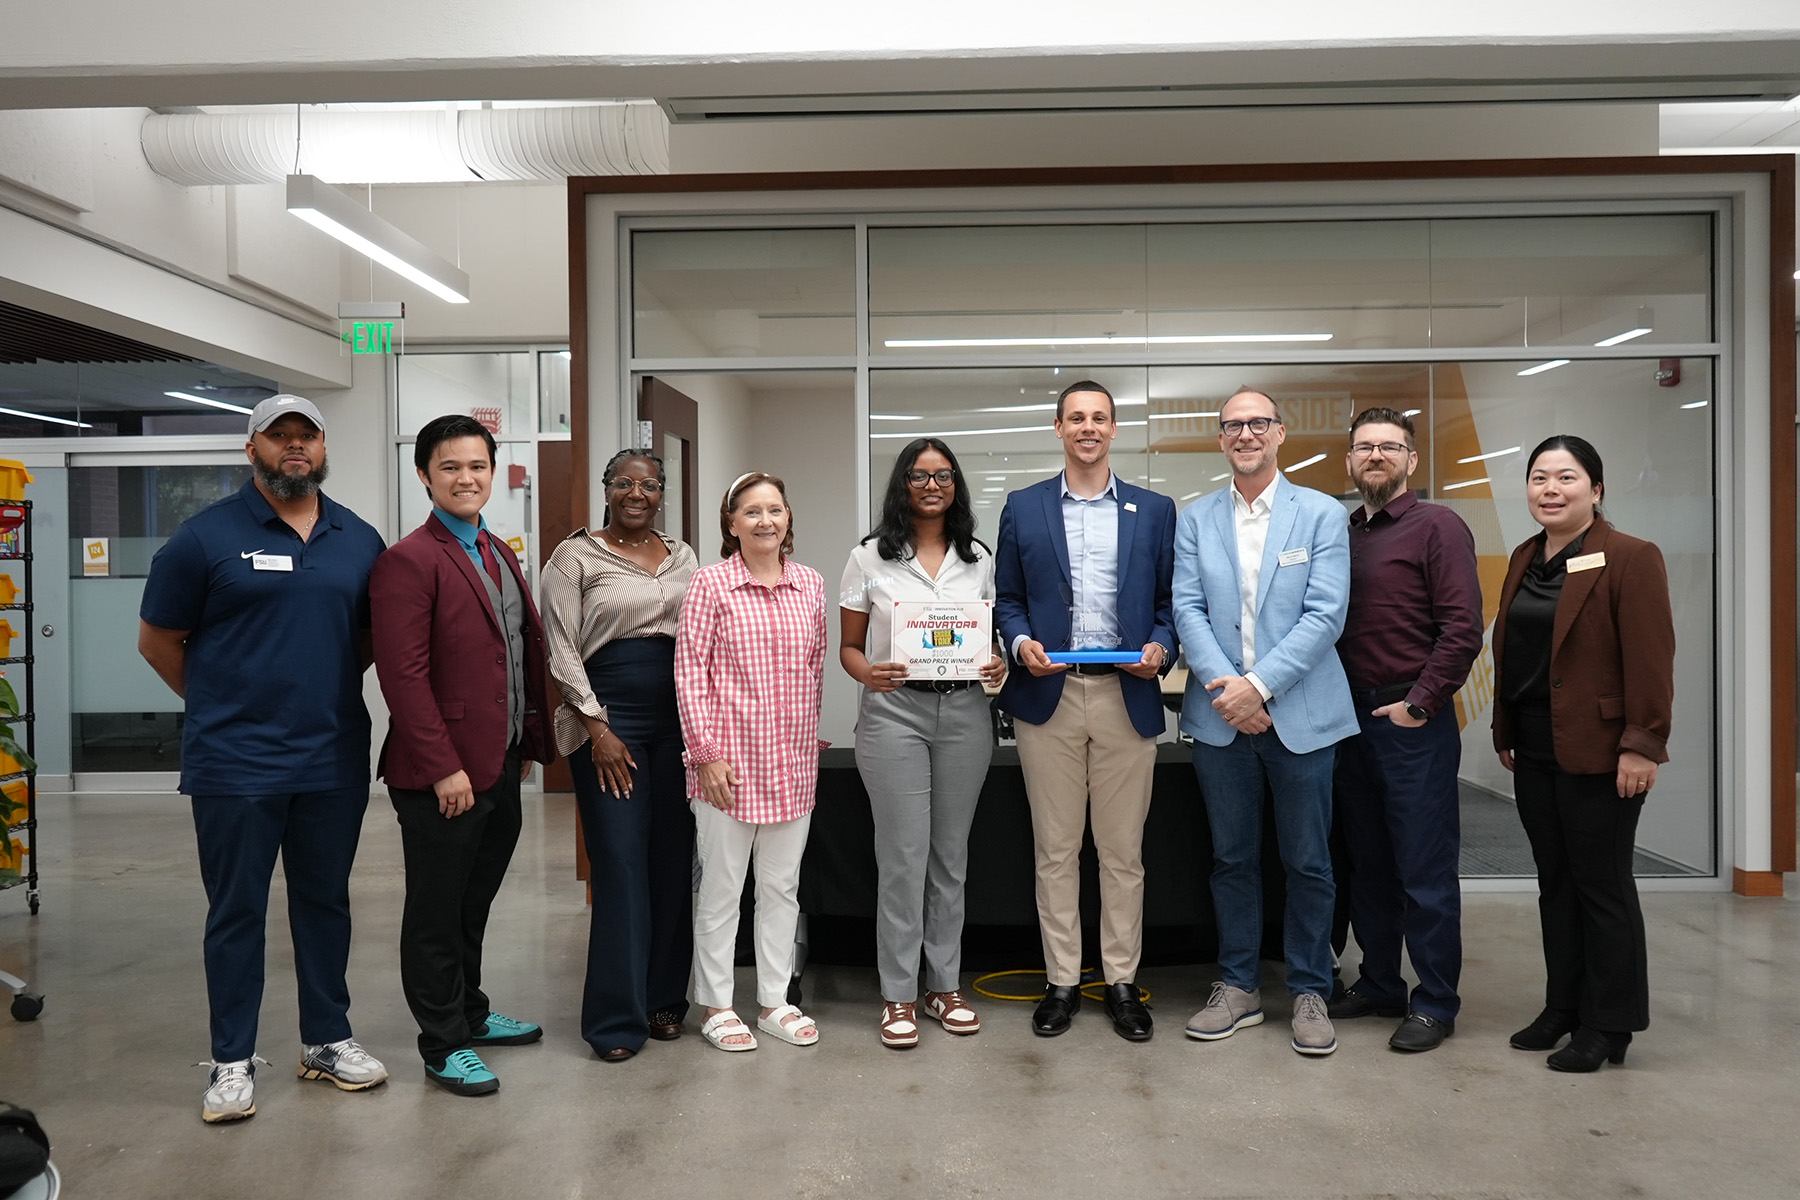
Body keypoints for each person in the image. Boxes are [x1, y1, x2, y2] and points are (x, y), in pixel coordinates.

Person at [138, 394, 389, 1123]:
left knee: (325, 904)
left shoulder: (357, 537)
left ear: (321, 446)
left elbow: (366, 640)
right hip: (234, 764)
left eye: (305, 436)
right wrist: (223, 703)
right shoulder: (203, 538)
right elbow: (158, 641)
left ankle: (327, 1040)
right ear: (252, 450)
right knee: (237, 911)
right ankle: (231, 1060)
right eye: (278, 437)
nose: (294, 448)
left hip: (331, 757)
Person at [370, 414, 555, 1096]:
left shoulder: (497, 550)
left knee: (473, 903)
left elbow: (512, 653)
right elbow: (403, 675)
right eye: (450, 467)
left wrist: (524, 739)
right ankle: (443, 1041)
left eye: (477, 466)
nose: (466, 478)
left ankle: (470, 1012)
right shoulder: (407, 561)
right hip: (441, 773)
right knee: (436, 911)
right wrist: (444, 764)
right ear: (424, 475)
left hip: (499, 763)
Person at [1173, 387, 1358, 1057]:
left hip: (1301, 717)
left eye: (1258, 423)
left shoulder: (1321, 514)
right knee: (1231, 859)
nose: (1246, 434)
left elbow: (1325, 615)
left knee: (1309, 861)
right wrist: (1232, 692)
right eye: (1233, 426)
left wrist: (1259, 687)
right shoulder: (1195, 520)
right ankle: (1239, 985)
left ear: (1280, 433)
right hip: (1222, 719)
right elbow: (1187, 609)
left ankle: (1311, 989)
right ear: (1221, 440)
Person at [993, 380, 1177, 1043]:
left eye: (1100, 417)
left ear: (1114, 429)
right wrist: (1018, 643)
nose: (1089, 427)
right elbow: (1007, 598)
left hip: (1127, 695)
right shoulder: (1023, 507)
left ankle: (1121, 981)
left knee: (1123, 853)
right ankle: (1063, 981)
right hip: (1052, 697)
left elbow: (1168, 602)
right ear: (1058, 427)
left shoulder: (1154, 511)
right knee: (1056, 851)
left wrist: (1161, 646)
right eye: (1077, 417)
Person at [1492, 435, 1674, 1073]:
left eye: (1566, 478)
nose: (1550, 489)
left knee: (1602, 885)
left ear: (1596, 489)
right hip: (1536, 746)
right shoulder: (1526, 557)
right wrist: (1509, 728)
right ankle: (1563, 1008)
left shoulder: (1629, 557)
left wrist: (1642, 743)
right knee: (1555, 885)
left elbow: (1651, 659)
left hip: (1604, 751)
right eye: (1539, 477)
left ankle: (1609, 1024)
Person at [839, 438, 1005, 1048]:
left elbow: (989, 640)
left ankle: (945, 986)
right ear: (902, 484)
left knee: (949, 858)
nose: (932, 485)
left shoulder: (979, 559)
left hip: (964, 712)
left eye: (942, 475)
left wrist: (996, 666)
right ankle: (898, 995)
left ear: (956, 484)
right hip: (894, 717)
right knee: (903, 858)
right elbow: (849, 649)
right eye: (919, 475)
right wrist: (867, 673)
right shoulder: (868, 558)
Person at [1329, 407, 1483, 1052]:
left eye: (1390, 447)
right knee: (1367, 865)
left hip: (1410, 721)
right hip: (1349, 720)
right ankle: (1381, 982)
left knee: (1423, 867)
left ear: (1412, 460)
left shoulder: (1437, 526)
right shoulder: (1342, 532)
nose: (1376, 456)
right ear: (1350, 460)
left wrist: (1419, 704)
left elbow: (1462, 630)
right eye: (1365, 447)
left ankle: (1436, 1000)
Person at [540, 449, 699, 1062]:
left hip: (681, 721)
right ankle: (614, 1020)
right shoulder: (574, 556)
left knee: (670, 860)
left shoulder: (683, 555)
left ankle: (664, 1002)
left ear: (662, 493)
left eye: (650, 485)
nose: (638, 493)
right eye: (625, 483)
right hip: (609, 718)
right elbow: (559, 645)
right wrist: (597, 725)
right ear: (606, 489)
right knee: (621, 864)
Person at [674, 472, 827, 1052]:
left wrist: (807, 741)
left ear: (788, 518)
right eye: (752, 512)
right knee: (720, 889)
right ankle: (716, 1003)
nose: (765, 521)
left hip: (790, 764)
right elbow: (690, 674)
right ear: (731, 523)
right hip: (727, 769)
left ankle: (773, 1002)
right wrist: (707, 758)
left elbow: (813, 670)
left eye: (775, 510)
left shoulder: (809, 584)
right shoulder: (711, 585)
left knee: (781, 889)